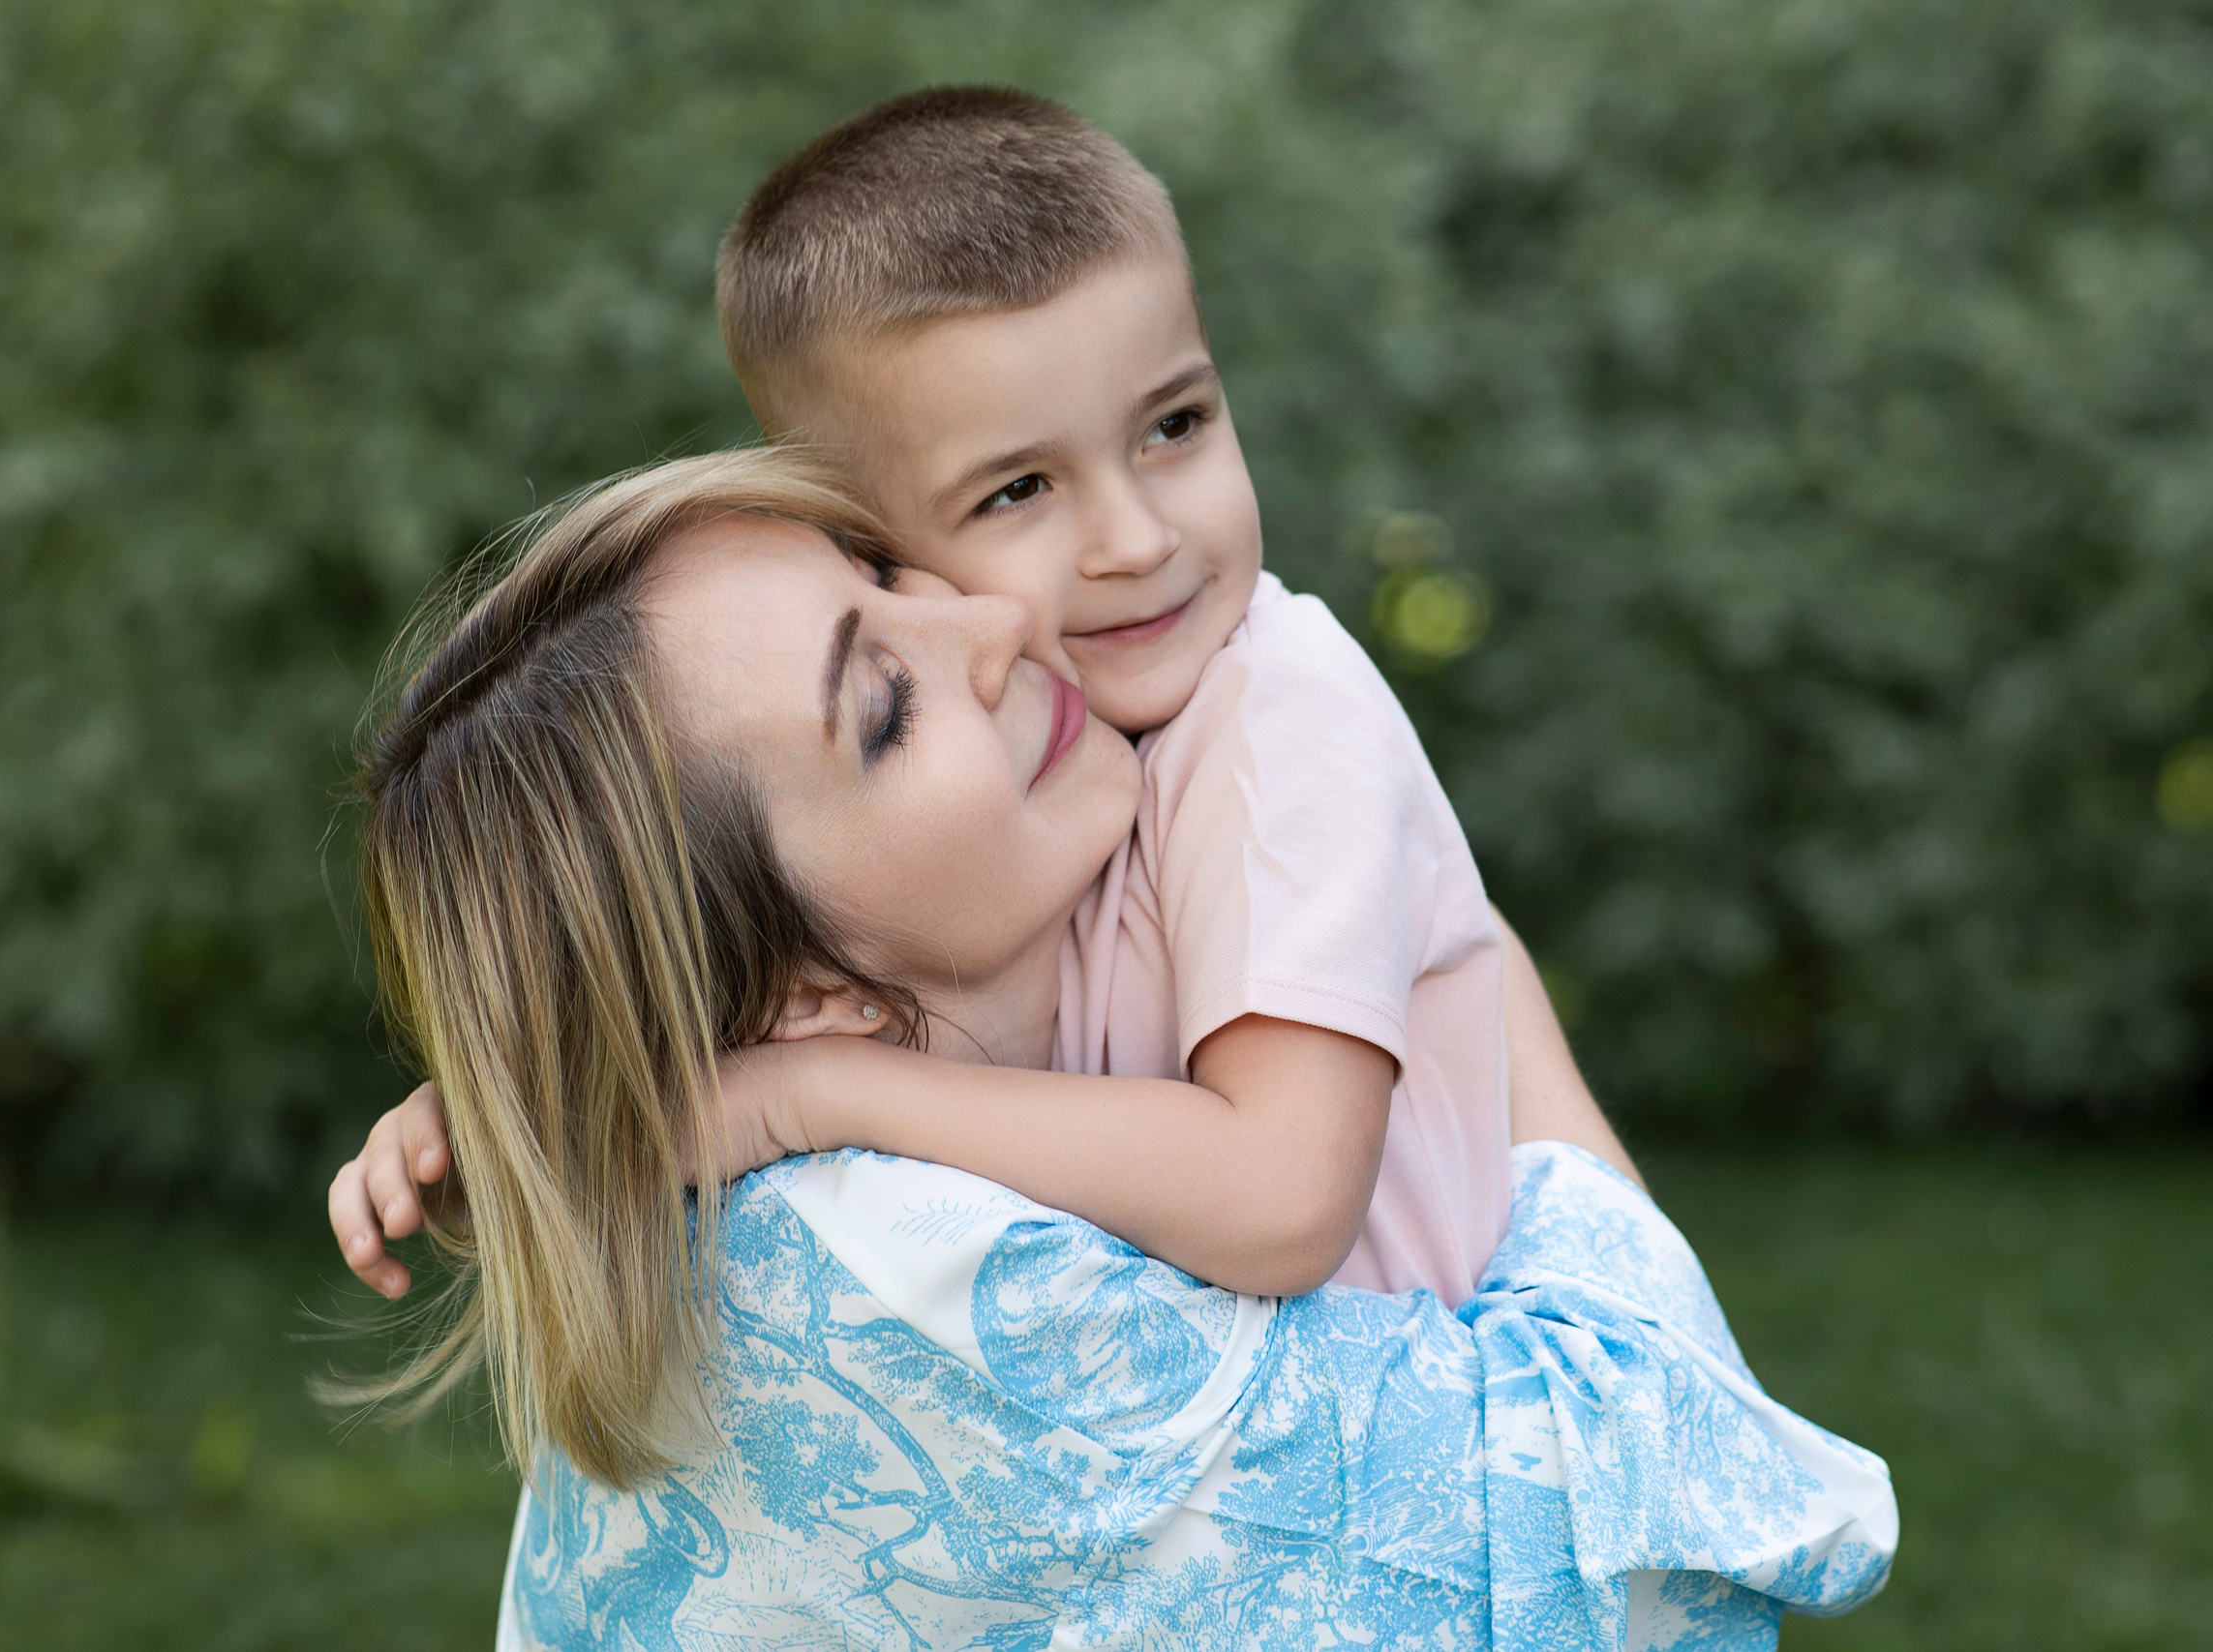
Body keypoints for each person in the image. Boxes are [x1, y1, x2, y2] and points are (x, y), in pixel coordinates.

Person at [344, 449, 1894, 1647]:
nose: (1001, 617)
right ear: (795, 1011)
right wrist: (1453, 941)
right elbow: (1651, 1536)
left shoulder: (747, 1166)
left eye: (888, 571)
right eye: (885, 702)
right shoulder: (934, 1287)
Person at [351, 84, 1514, 1317]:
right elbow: (825, 994)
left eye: (1175, 423)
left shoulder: (1278, 711)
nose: (1137, 537)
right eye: (1016, 492)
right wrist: (528, 1113)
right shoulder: (1052, 768)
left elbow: (1281, 1199)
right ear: (858, 516)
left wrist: (803, 1099)